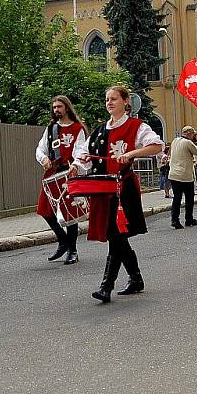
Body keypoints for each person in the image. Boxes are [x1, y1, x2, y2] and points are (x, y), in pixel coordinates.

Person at [70, 86, 164, 303]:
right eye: (107, 100)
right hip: (103, 190)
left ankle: (106, 287)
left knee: (116, 235)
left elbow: (156, 146)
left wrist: (132, 153)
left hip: (124, 189)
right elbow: (84, 152)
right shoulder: (100, 130)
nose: (109, 103)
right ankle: (136, 278)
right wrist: (79, 163)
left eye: (113, 99)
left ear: (125, 101)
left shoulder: (136, 126)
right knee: (117, 236)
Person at [35, 96, 86, 265]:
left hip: (68, 173)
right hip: (51, 174)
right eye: (54, 107)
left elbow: (80, 150)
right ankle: (63, 240)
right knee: (45, 210)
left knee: (70, 213)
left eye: (59, 106)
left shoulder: (77, 128)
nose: (56, 109)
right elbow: (40, 149)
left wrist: (76, 166)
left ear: (67, 108)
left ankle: (72, 250)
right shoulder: (51, 129)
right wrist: (43, 159)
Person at [168, 126, 197, 229]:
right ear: (190, 134)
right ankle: (189, 219)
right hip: (185, 175)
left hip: (173, 174)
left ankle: (175, 219)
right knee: (189, 198)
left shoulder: (175, 141)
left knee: (177, 198)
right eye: (193, 134)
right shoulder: (188, 143)